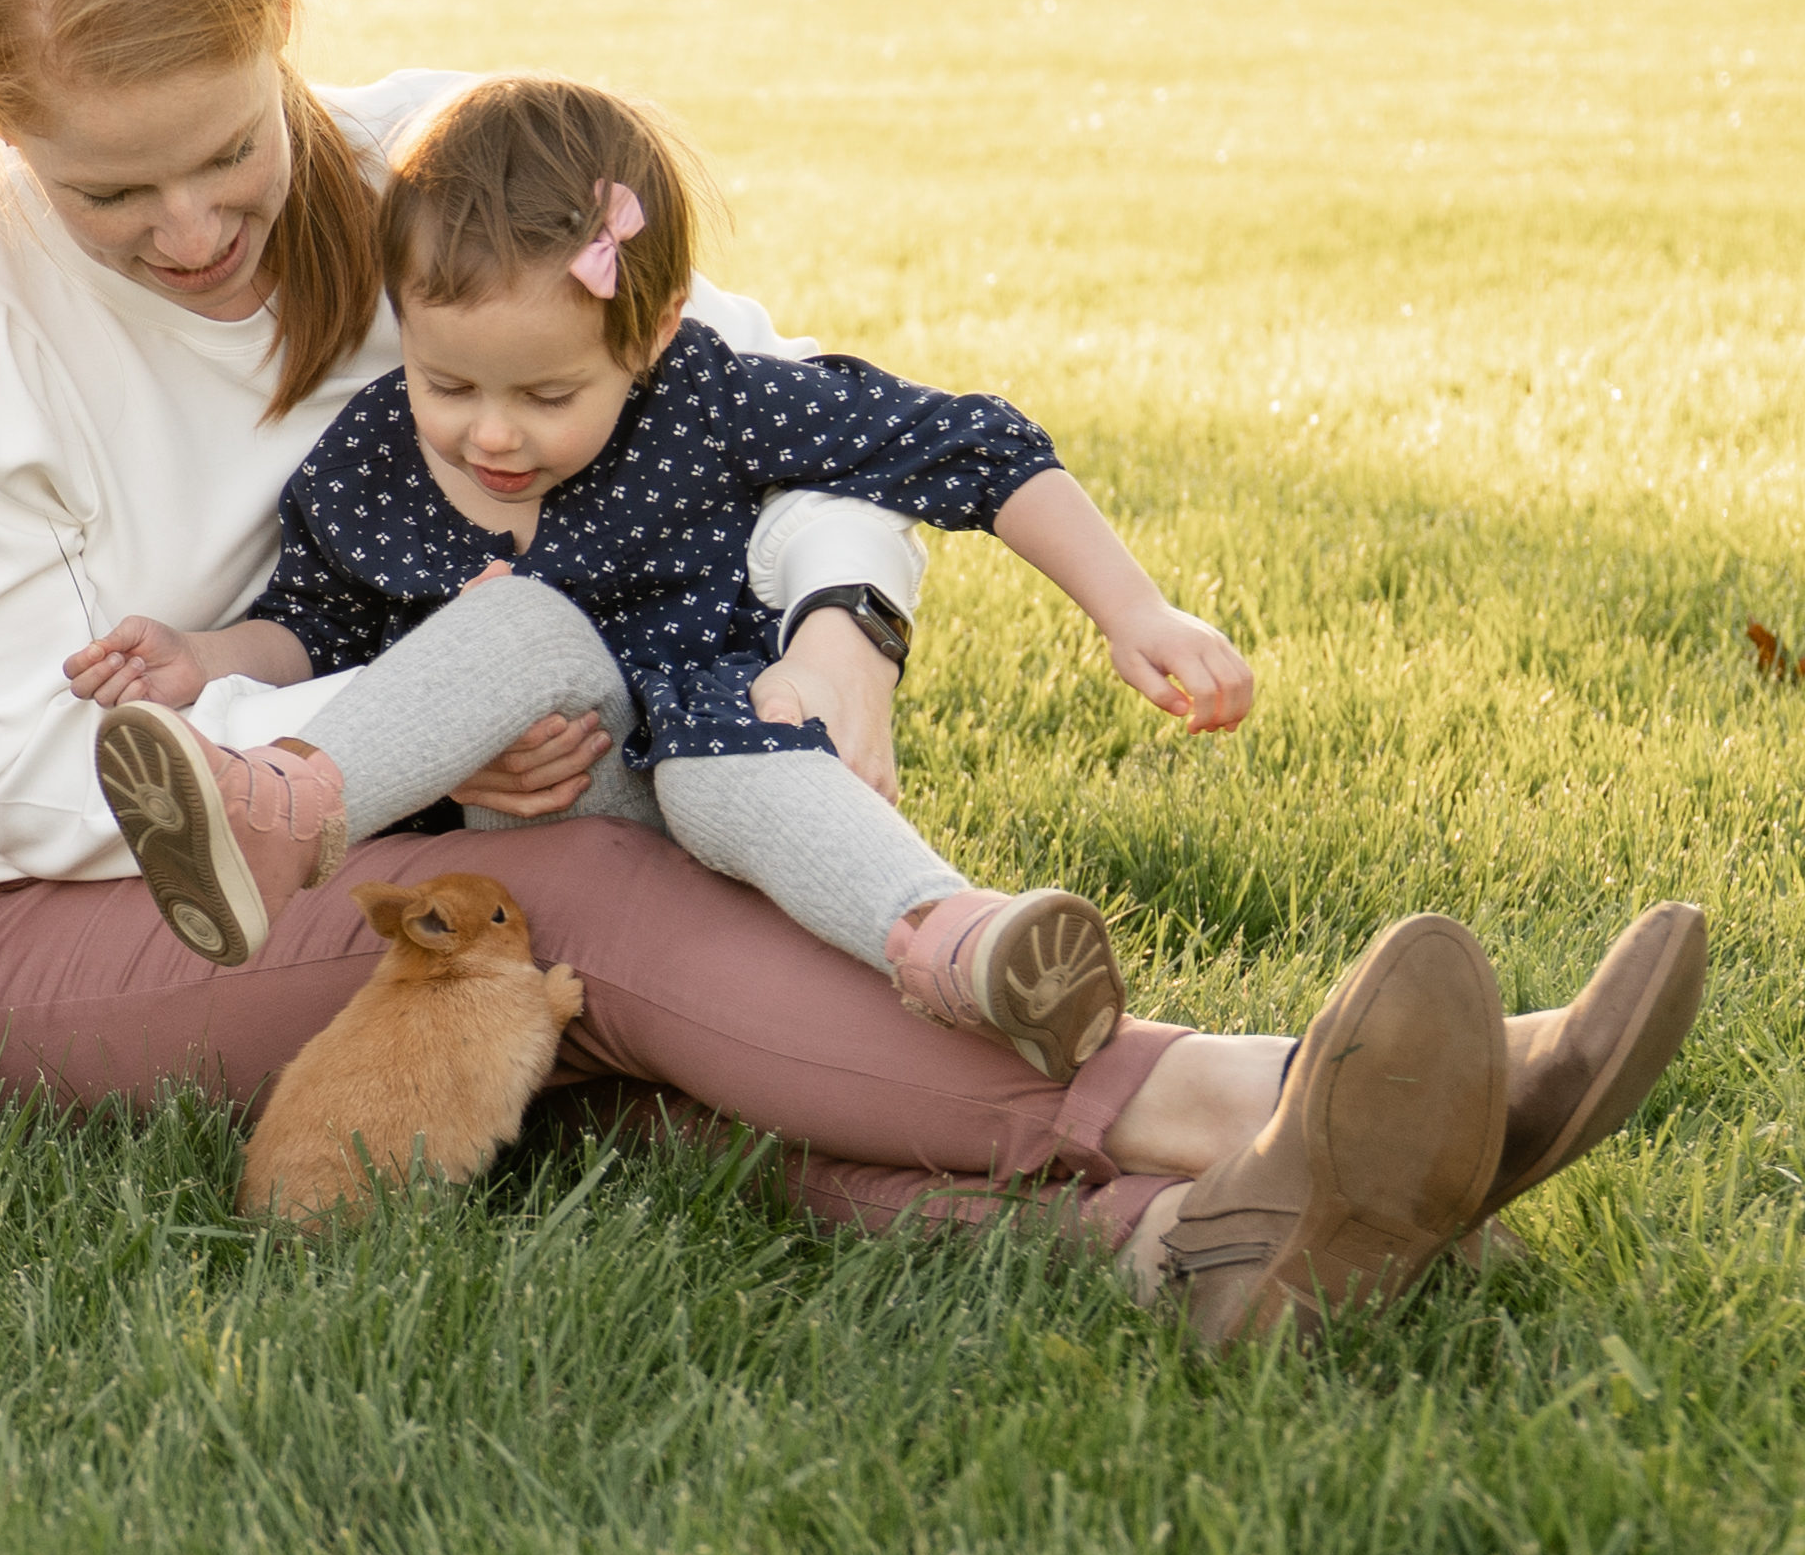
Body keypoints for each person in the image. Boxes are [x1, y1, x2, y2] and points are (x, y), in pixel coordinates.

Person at [0, 0, 1705, 1346]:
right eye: (106, 194)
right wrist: (436, 737)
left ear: (282, 28)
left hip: (438, 810)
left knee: (656, 1010)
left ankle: (1193, 1241)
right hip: (41, 933)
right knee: (558, 898)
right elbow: (31, 783)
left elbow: (765, 418)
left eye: (224, 150)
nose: (189, 228)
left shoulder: (449, 173)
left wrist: (838, 631)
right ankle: (1256, 1092)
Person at [78, 71, 1254, 1084]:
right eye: (450, 385)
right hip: (534, 829)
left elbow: (969, 447)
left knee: (726, 749)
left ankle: (955, 940)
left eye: (548, 395)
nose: (493, 434)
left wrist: (1132, 607)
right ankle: (285, 816)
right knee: (519, 621)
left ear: (649, 333)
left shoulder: (707, 398)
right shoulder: (374, 461)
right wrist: (207, 657)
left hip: (725, 775)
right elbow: (314, 623)